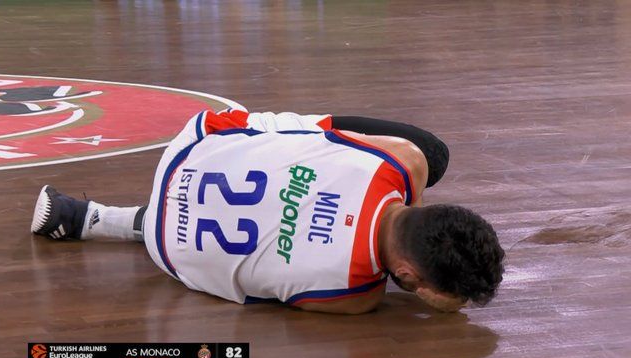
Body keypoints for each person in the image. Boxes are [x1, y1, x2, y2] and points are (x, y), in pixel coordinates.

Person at [30, 109, 505, 314]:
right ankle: (105, 219)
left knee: (428, 153)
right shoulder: (357, 297)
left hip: (186, 152)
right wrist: (437, 294)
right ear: (406, 274)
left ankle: (101, 218)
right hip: (170, 251)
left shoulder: (402, 162)